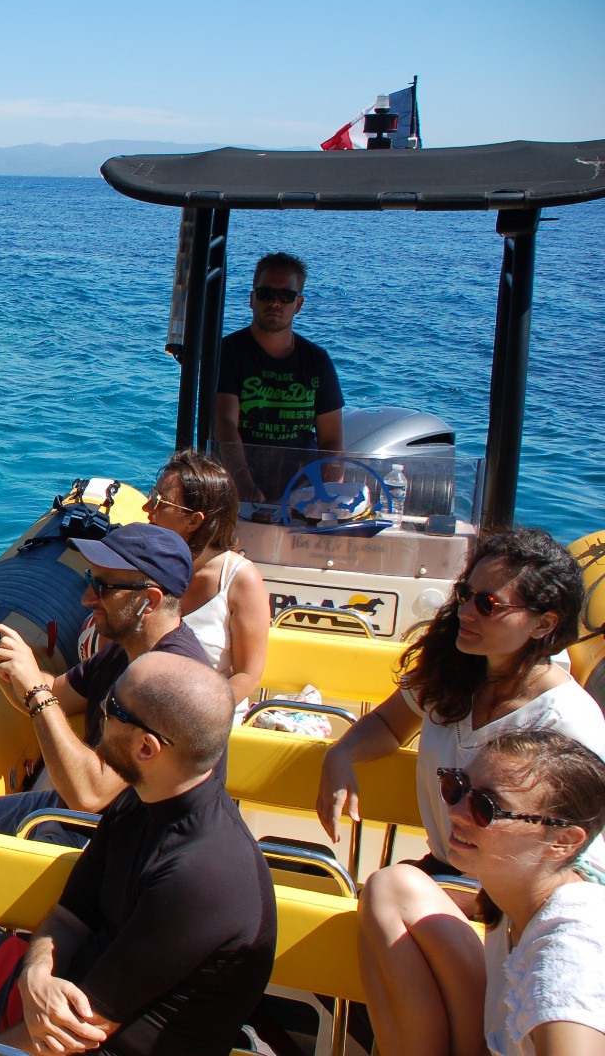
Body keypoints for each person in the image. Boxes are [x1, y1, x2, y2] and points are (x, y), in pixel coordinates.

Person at [0, 653, 276, 1056]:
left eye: (114, 708)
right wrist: (34, 974)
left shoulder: (199, 877)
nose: (100, 710)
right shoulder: (141, 800)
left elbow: (77, 1031)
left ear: (147, 747)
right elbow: (70, 916)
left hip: (93, 1042)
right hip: (58, 996)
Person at [315, 528, 605, 1053]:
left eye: (489, 603)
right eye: (465, 594)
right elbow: (385, 725)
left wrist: (494, 898)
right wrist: (340, 757)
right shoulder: (454, 671)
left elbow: (584, 861)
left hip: (511, 887)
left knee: (388, 889)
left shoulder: (567, 724)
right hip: (457, 867)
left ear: (543, 624)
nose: (467, 611)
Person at [0, 523, 212, 904]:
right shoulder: (125, 647)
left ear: (149, 600)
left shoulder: (171, 682)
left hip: (122, 845)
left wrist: (34, 689)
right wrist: (2, 657)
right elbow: (55, 694)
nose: (87, 598)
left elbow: (91, 793)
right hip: (80, 810)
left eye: (103, 587)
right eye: (90, 579)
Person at [357, 730, 605, 1056]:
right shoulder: (515, 898)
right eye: (455, 787)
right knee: (389, 887)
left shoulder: (568, 954)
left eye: (486, 807)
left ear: (563, 842)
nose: (455, 812)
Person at [144, 448, 270, 707]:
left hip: (206, 712)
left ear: (193, 521)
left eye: (159, 501)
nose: (147, 507)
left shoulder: (240, 580)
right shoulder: (144, 564)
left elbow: (247, 674)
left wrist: (198, 712)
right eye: (151, 495)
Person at [214, 252, 344, 502]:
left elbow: (331, 439)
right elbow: (225, 423)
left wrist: (328, 496)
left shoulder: (317, 360)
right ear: (252, 299)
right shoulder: (228, 352)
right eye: (266, 294)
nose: (275, 303)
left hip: (303, 492)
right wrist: (243, 485)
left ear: (298, 304)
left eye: (285, 296)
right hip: (238, 488)